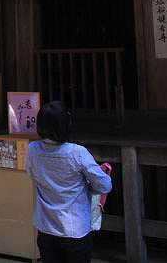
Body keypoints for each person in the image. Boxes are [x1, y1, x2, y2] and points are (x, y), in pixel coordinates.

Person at [26, 101, 112, 263]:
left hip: (46, 226)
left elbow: (32, 174)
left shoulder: (33, 149)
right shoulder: (77, 153)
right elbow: (105, 185)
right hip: (74, 228)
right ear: (66, 125)